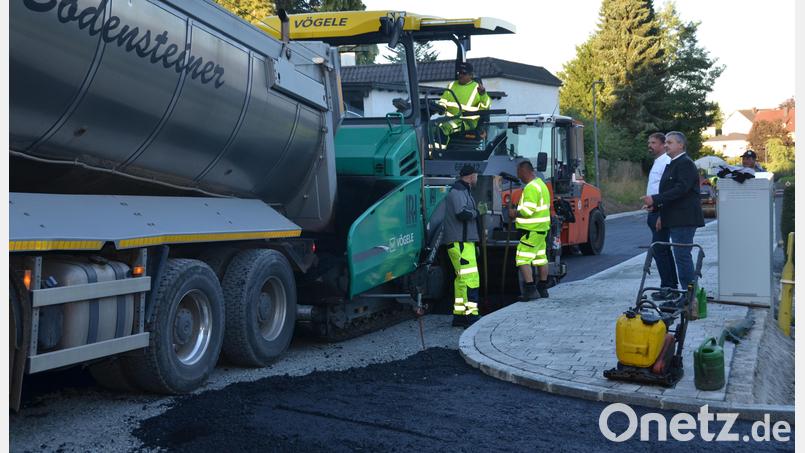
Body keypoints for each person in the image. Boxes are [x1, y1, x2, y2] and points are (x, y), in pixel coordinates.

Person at [641, 131, 705, 294]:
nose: (666, 145)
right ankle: (685, 294)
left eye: (670, 142)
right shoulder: (674, 163)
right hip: (675, 217)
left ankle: (690, 296)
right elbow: (670, 192)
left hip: (684, 218)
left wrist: (655, 199)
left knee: (682, 257)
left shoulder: (684, 163)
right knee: (680, 256)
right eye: (666, 142)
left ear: (681, 145)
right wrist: (657, 208)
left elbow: (681, 190)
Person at [442, 164, 482, 327]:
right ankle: (470, 315)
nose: (477, 178)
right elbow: (461, 213)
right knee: (470, 279)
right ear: (471, 176)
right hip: (461, 243)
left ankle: (459, 315)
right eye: (476, 175)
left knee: (461, 280)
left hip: (463, 242)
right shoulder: (458, 191)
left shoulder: (463, 190)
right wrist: (477, 212)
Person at [509, 160, 551, 300]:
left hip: (530, 231)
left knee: (522, 259)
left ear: (524, 171)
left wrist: (514, 213)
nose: (517, 175)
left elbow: (527, 211)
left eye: (518, 172)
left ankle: (530, 289)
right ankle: (543, 288)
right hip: (541, 230)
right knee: (540, 258)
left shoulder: (531, 188)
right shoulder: (541, 185)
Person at [645, 132, 679, 300]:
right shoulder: (658, 161)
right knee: (663, 249)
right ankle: (671, 286)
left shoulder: (666, 161)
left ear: (662, 144)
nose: (650, 146)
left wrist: (660, 211)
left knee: (659, 249)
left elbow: (666, 190)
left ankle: (668, 287)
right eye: (649, 143)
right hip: (654, 209)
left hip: (660, 211)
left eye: (653, 143)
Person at [437, 62, 491, 142]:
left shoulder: (477, 88)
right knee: (431, 128)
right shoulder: (451, 85)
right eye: (459, 73)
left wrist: (483, 94)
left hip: (467, 122)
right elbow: (443, 100)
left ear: (471, 75)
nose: (460, 75)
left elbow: (485, 106)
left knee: (443, 129)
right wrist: (441, 107)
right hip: (449, 119)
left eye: (464, 73)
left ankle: (437, 150)